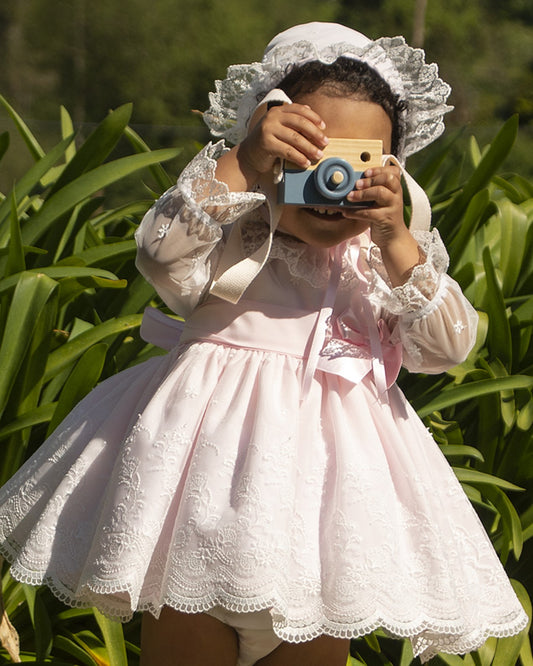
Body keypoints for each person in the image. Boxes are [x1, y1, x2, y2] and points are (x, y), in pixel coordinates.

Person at [0, 22, 528, 666]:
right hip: (198, 512)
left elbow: (447, 348)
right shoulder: (238, 226)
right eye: (308, 155)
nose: (332, 184)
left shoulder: (379, 258)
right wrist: (244, 165)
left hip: (326, 541)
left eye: (358, 162)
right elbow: (161, 258)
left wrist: (395, 239)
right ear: (268, 140)